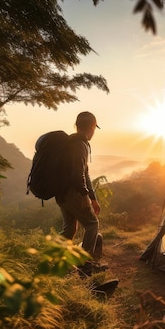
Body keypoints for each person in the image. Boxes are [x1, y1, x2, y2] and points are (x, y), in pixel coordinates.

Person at [56, 111, 103, 262]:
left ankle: (57, 261)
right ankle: (85, 266)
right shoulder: (80, 145)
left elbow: (84, 173)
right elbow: (79, 176)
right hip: (73, 193)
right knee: (92, 225)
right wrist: (85, 197)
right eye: (94, 128)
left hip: (60, 193)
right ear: (92, 127)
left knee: (69, 229)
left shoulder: (68, 143)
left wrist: (93, 198)